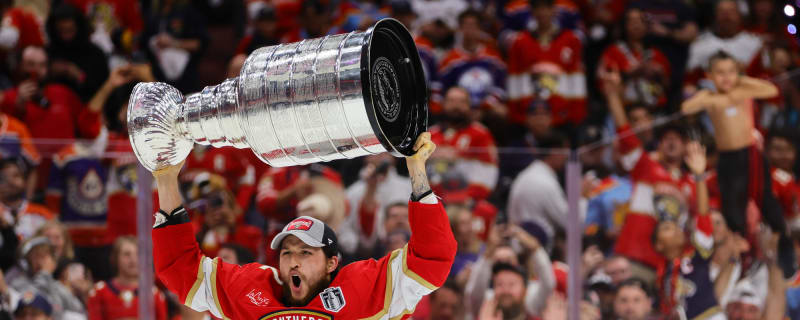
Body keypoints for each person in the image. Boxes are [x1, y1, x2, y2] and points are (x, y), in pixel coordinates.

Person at [152, 133, 457, 318]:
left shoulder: (361, 288)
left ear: (332, 263)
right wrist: (166, 180)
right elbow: (180, 270)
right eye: (287, 253)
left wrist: (418, 174)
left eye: (306, 253)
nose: (293, 261)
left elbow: (432, 260)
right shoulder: (252, 290)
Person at [681, 51, 790, 273]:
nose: (726, 77)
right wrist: (706, 93)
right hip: (728, 159)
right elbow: (686, 108)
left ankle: (785, 256)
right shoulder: (711, 99)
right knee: (733, 208)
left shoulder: (743, 91)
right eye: (720, 73)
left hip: (751, 155)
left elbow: (772, 90)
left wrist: (742, 79)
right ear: (710, 75)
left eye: (731, 72)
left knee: (767, 201)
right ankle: (740, 259)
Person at [600, 67, 695, 282]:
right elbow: (626, 135)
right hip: (631, 259)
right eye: (666, 139)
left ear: (687, 146)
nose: (671, 142)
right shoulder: (646, 167)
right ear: (658, 145)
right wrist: (613, 96)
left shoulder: (693, 183)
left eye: (678, 139)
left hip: (668, 267)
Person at [651, 141, 725, 318]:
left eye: (675, 225)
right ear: (658, 245)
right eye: (667, 228)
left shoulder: (697, 253)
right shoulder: (662, 274)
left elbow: (703, 216)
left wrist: (699, 175)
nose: (676, 229)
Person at [505, 0, 585, 128]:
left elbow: (576, 79)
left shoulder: (571, 40)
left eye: (546, 8)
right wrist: (516, 116)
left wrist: (577, 116)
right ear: (532, 12)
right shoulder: (519, 42)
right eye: (538, 8)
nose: (542, 13)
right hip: (528, 118)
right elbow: (514, 80)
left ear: (554, 10)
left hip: (563, 118)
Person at [429, 86, 499, 204]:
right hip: (433, 199)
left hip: (467, 200)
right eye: (451, 101)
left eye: (461, 102)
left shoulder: (480, 133)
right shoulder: (431, 133)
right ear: (444, 104)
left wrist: (458, 155)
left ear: (469, 106)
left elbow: (489, 171)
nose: (456, 106)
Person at [434, 9, 507, 119]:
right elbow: (442, 89)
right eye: (466, 26)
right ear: (459, 29)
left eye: (473, 26)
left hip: (486, 109)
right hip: (459, 107)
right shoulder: (450, 59)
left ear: (479, 28)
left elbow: (500, 87)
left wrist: (484, 107)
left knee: (501, 111)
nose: (469, 30)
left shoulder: (492, 57)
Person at [340, 153, 411, 258]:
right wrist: (357, 247)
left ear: (393, 155)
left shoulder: (409, 186)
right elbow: (344, 227)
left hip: (408, 247)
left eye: (384, 152)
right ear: (366, 157)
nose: (380, 156)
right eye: (375, 153)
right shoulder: (352, 192)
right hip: (364, 254)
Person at [598, 7, 671, 109]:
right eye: (632, 21)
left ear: (646, 26)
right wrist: (633, 73)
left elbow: (668, 87)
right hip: (626, 108)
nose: (636, 25)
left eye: (640, 21)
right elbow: (605, 87)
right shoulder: (613, 52)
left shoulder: (656, 54)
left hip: (655, 108)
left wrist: (660, 74)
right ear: (624, 25)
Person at [507, 132, 569, 249]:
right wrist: (582, 197)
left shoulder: (528, 174)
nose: (566, 157)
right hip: (537, 245)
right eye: (564, 151)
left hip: (519, 243)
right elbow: (569, 222)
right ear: (555, 151)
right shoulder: (544, 181)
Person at [87, 236, 168, 320]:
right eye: (127, 254)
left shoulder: (154, 295)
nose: (133, 260)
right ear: (115, 258)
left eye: (138, 254)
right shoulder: (99, 292)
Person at [45, 3, 109, 102]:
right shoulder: (48, 52)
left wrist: (78, 75)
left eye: (70, 30)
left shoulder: (95, 54)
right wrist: (48, 71)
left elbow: (103, 90)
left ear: (78, 28)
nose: (65, 37)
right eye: (61, 31)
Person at [0, 158, 54, 241]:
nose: (10, 182)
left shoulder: (42, 214)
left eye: (16, 176)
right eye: (3, 178)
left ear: (25, 181)